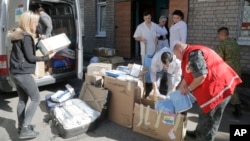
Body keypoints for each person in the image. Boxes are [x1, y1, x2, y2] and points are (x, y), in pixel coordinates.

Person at [173, 42, 242, 141]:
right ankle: (198, 133)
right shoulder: (190, 52)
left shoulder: (193, 55)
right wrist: (181, 86)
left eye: (176, 55)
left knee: (209, 119)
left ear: (180, 51)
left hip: (218, 89)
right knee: (204, 114)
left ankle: (204, 138)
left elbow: (201, 76)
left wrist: (188, 89)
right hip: (217, 85)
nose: (177, 58)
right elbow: (189, 71)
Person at [8, 11, 55, 140]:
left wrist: (39, 42)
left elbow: (27, 51)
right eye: (35, 22)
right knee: (36, 98)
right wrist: (47, 57)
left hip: (15, 72)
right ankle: (25, 128)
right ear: (29, 23)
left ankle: (22, 126)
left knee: (23, 99)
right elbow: (30, 57)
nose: (37, 25)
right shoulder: (26, 36)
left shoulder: (18, 34)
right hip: (23, 73)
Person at [215, 27, 242, 117]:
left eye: (219, 35)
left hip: (228, 71)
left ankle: (238, 110)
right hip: (237, 69)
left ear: (222, 35)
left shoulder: (222, 45)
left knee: (231, 90)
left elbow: (218, 60)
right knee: (233, 89)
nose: (219, 37)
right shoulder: (235, 43)